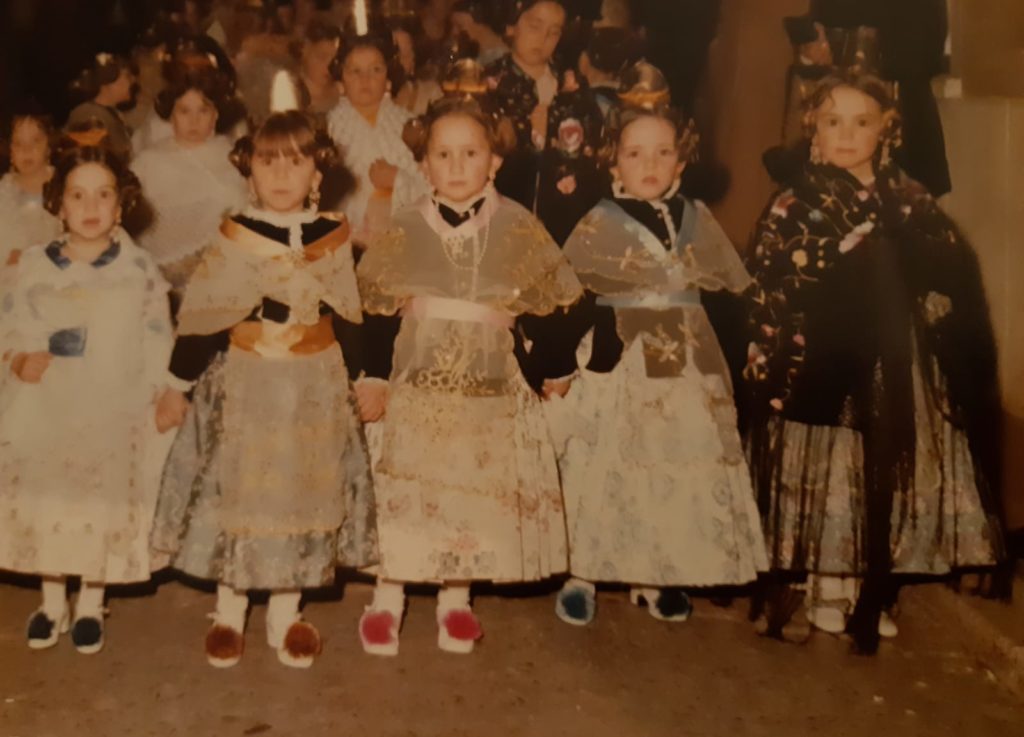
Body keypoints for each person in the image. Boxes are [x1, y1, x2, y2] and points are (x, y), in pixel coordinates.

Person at [744, 73, 1005, 654]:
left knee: (885, 466)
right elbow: (771, 277)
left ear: (886, 129)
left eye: (862, 122)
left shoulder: (906, 196)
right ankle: (826, 584)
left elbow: (946, 264)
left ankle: (874, 585)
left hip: (895, 362)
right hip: (825, 365)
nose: (847, 135)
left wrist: (933, 293)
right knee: (834, 469)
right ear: (812, 127)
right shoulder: (796, 197)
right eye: (833, 121)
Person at [354, 83, 582, 656]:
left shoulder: (519, 226)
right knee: (408, 497)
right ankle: (388, 596)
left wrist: (554, 367)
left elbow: (555, 305)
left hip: (488, 393)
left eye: (471, 153)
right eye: (443, 154)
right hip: (416, 388)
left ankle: (456, 600)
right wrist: (374, 377)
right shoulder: (404, 228)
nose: (457, 166)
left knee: (468, 496)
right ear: (425, 164)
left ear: (495, 160)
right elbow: (375, 312)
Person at [150, 109, 377, 669]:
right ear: (248, 173)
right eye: (267, 162)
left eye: (295, 163)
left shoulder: (334, 236)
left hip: (312, 386)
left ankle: (286, 611)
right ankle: (229, 610)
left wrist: (370, 376)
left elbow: (350, 316)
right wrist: (176, 386)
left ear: (317, 173)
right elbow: (202, 320)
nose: (280, 175)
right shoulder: (235, 236)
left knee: (301, 495)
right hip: (248, 384)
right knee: (243, 493)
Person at [549, 64, 766, 626]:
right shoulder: (600, 219)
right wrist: (571, 362)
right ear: (613, 161)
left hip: (684, 359)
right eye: (635, 153)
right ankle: (585, 570)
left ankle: (656, 570)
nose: (649, 165)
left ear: (681, 160)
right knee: (607, 463)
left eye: (662, 153)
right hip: (618, 358)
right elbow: (577, 297)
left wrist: (744, 353)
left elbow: (723, 293)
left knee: (670, 462)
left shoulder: (697, 217)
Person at [0, 132, 178, 654]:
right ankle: (52, 599)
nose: (91, 207)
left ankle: (90, 600)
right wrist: (18, 359)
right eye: (78, 194)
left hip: (112, 403)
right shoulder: (33, 264)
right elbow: (9, 326)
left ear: (121, 205)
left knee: (97, 502)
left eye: (104, 194)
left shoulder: (137, 268)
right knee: (51, 499)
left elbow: (156, 334)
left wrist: (160, 391)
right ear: (58, 204)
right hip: (49, 402)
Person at [132, 67, 249, 294]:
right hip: (168, 279)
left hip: (229, 271)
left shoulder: (235, 155)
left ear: (216, 114)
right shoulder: (148, 162)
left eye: (203, 111)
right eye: (184, 111)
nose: (193, 120)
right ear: (171, 116)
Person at [326, 29, 427, 247]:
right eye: (355, 71)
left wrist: (398, 180)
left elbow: (430, 185)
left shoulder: (410, 125)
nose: (365, 79)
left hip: (404, 241)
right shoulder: (328, 128)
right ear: (341, 78)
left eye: (376, 70)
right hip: (346, 243)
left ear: (388, 78)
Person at [0, 113, 62, 269]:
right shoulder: (4, 191)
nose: (27, 150)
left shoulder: (63, 185)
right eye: (18, 144)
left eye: (36, 141)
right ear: (10, 151)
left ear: (49, 147)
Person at [66, 54, 138, 161]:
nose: (132, 81)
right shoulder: (88, 115)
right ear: (109, 82)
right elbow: (90, 162)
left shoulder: (112, 113)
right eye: (127, 76)